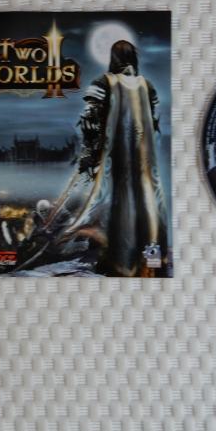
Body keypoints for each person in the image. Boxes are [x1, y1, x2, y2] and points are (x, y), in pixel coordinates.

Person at [61, 40, 169, 277]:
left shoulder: (103, 82)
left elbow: (89, 121)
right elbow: (153, 121)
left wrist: (89, 155)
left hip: (118, 158)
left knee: (119, 204)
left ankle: (122, 263)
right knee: (150, 204)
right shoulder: (147, 86)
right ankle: (152, 262)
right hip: (145, 160)